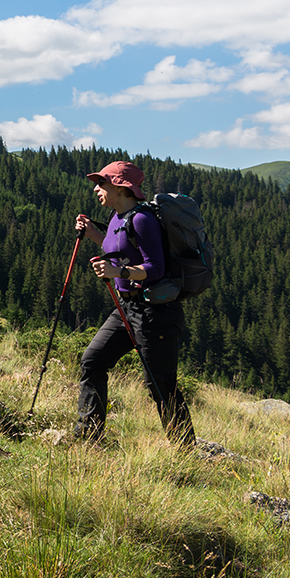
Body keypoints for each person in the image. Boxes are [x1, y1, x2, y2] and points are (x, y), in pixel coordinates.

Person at [73, 160, 196, 447]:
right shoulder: (117, 217)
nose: (96, 189)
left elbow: (155, 267)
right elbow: (119, 249)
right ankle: (88, 437)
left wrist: (120, 273)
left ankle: (186, 451)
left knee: (161, 385)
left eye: (101, 184)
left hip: (156, 313)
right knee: (93, 361)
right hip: (127, 308)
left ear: (120, 187)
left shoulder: (142, 219)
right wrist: (94, 234)